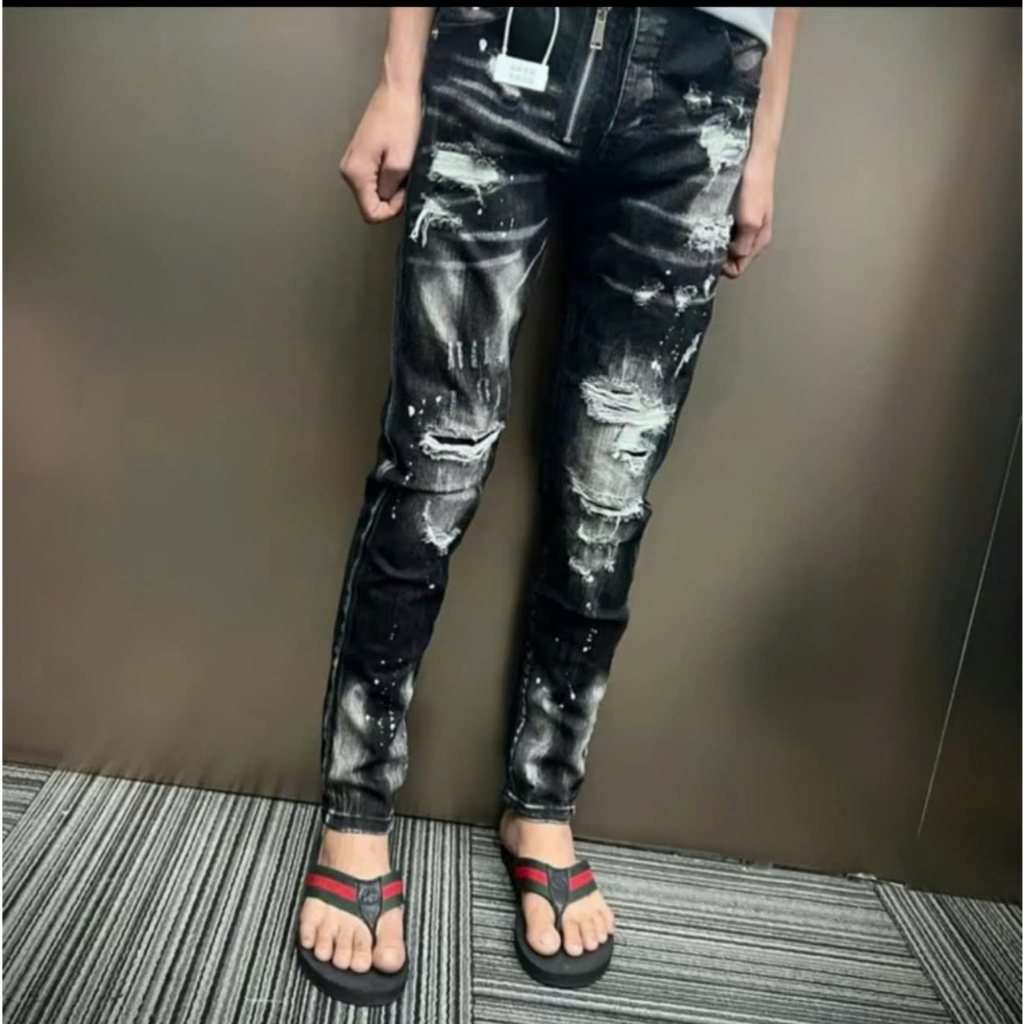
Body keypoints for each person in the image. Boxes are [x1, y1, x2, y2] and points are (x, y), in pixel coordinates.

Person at [295, 5, 801, 1005]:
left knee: (608, 495)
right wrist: (398, 77)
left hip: (700, 90)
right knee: (435, 463)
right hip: (506, 46)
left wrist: (767, 144)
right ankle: (356, 808)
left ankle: (542, 802)